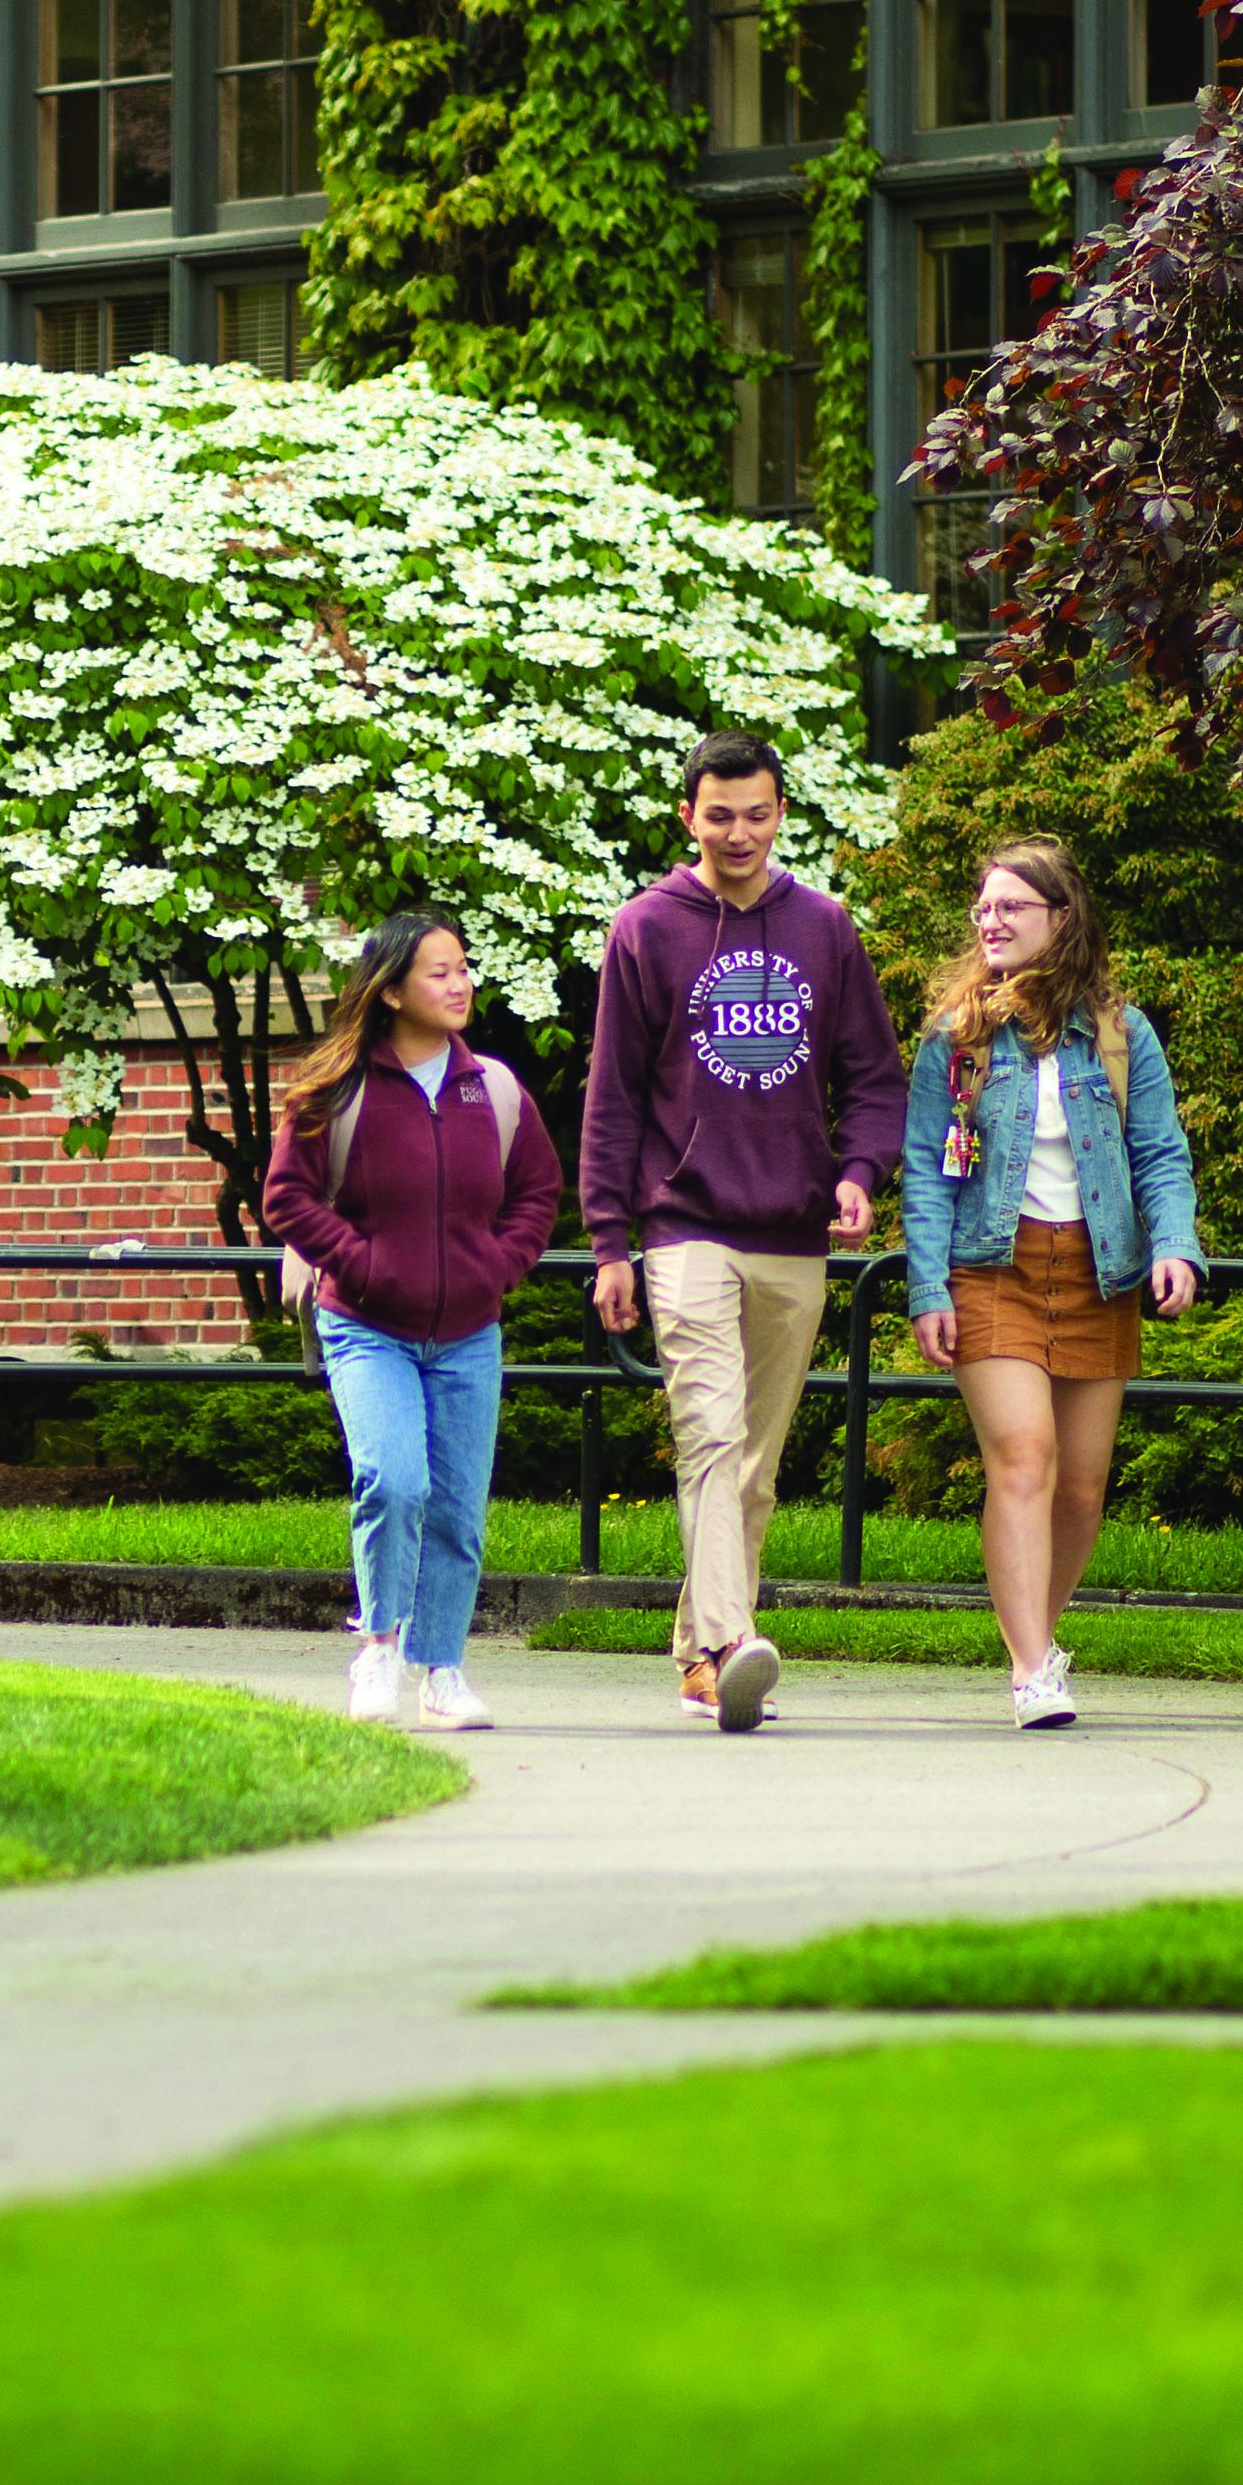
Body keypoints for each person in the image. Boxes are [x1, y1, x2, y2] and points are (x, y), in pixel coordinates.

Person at [581, 730, 901, 1734]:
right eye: (719, 814)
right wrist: (608, 1243)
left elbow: (876, 1079)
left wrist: (858, 1172)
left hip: (794, 1234)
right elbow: (612, 1099)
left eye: (756, 813)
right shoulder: (646, 930)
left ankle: (696, 1658)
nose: (739, 832)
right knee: (711, 1436)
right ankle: (730, 1647)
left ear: (779, 815)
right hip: (686, 1230)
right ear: (689, 818)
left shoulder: (826, 927)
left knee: (751, 1466)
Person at [902, 833, 1205, 1728]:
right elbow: (926, 1168)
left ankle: (1040, 1632)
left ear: (1060, 919)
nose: (988, 920)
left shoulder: (1120, 1032)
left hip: (1098, 1269)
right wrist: (928, 1287)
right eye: (982, 907)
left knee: (1080, 1486)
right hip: (990, 1266)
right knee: (1024, 1455)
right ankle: (1032, 1669)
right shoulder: (956, 1038)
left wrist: (1175, 1244)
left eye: (1010, 908)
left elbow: (1159, 1150)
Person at [262, 905, 557, 1733]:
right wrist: (360, 1263)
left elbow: (538, 1193)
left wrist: (496, 1267)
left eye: (463, 968)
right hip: (366, 1327)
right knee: (394, 1481)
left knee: (459, 1508)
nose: (459, 983)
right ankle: (379, 1646)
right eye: (439, 972)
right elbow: (284, 1198)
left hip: (469, 1332)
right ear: (390, 991)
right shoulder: (336, 1091)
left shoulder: (492, 1089)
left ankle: (443, 1670)